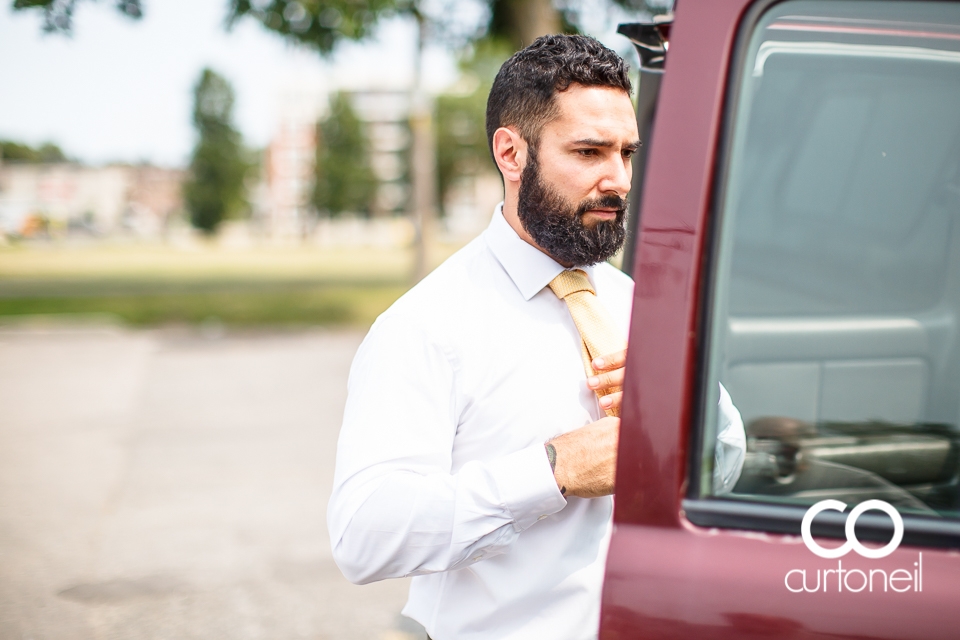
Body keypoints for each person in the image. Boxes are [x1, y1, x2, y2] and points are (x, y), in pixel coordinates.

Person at [328, 34, 745, 640]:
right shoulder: (423, 328)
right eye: (589, 151)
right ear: (511, 152)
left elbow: (728, 459)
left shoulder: (640, 304)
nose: (620, 180)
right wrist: (553, 471)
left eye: (627, 153)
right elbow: (364, 536)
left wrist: (689, 411)